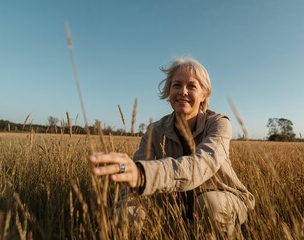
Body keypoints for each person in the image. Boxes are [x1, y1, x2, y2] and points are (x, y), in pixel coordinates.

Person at [88, 57, 255, 238]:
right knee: (128, 214)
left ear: (204, 94)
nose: (183, 91)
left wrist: (143, 175)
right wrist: (125, 205)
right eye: (177, 85)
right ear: (169, 91)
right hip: (173, 205)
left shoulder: (218, 124)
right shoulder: (155, 130)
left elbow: (201, 164)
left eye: (191, 86)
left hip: (223, 198)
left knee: (209, 204)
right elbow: (134, 177)